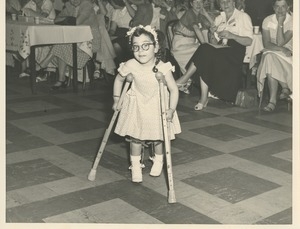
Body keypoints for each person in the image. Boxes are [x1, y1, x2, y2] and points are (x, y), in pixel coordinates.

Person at [112, 25, 181, 183]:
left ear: (155, 47)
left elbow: (174, 90)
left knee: (158, 137)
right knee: (135, 138)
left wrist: (171, 109)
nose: (140, 51)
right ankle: (136, 165)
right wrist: (117, 99)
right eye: (136, 47)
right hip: (137, 106)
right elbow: (119, 79)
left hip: (157, 106)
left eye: (145, 46)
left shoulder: (163, 67)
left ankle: (158, 160)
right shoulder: (130, 64)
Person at [175, 0, 253, 110]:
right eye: (222, 2)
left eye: (228, 1)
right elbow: (214, 43)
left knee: (205, 51)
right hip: (221, 49)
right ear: (219, 4)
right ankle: (202, 98)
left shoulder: (243, 16)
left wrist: (232, 36)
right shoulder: (219, 18)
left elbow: (249, 41)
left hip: (235, 52)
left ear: (234, 3)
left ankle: (185, 80)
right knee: (205, 50)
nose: (225, 4)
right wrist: (212, 34)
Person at [38, 0, 101, 89]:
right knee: (62, 44)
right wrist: (68, 19)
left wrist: (67, 19)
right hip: (75, 38)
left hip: (89, 41)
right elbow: (56, 20)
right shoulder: (68, 6)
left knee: (62, 44)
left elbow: (77, 22)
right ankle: (60, 78)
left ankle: (45, 65)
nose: (74, 1)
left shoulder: (87, 5)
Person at [171, 0, 215, 92]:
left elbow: (214, 26)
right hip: (181, 44)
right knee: (202, 55)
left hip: (190, 43)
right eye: (196, 2)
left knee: (207, 55)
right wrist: (204, 45)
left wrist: (206, 14)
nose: (199, 5)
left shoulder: (200, 15)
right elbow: (196, 29)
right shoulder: (190, 13)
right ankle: (191, 82)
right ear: (191, 4)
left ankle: (193, 82)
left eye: (201, 2)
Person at [257, 0, 293, 112]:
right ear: (273, 7)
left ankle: (272, 101)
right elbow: (266, 43)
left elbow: (280, 42)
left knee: (269, 58)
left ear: (288, 7)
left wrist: (280, 23)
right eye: (277, 6)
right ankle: (285, 87)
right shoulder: (267, 20)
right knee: (269, 57)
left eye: (283, 6)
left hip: (289, 54)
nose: (280, 10)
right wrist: (282, 49)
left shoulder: (293, 21)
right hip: (277, 51)